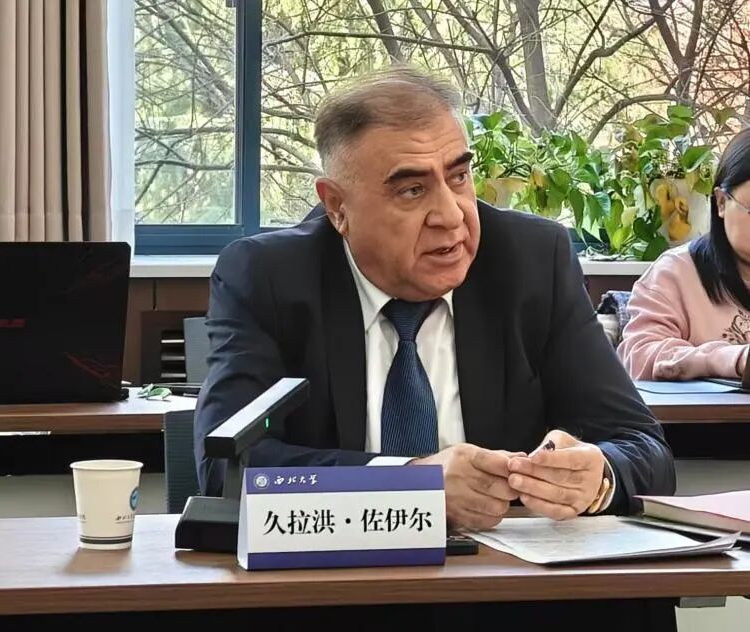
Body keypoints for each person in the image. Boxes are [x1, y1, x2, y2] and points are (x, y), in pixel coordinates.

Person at [194, 66, 676, 628]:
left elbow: (644, 449)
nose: (450, 216)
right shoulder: (269, 277)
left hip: (501, 595)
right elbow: (225, 467)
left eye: (459, 177)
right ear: (337, 207)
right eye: (412, 190)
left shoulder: (530, 260)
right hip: (333, 596)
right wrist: (411, 483)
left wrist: (596, 476)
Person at [619, 129, 750, 381]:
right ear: (721, 202)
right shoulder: (676, 273)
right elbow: (638, 358)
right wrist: (732, 360)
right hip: (705, 409)